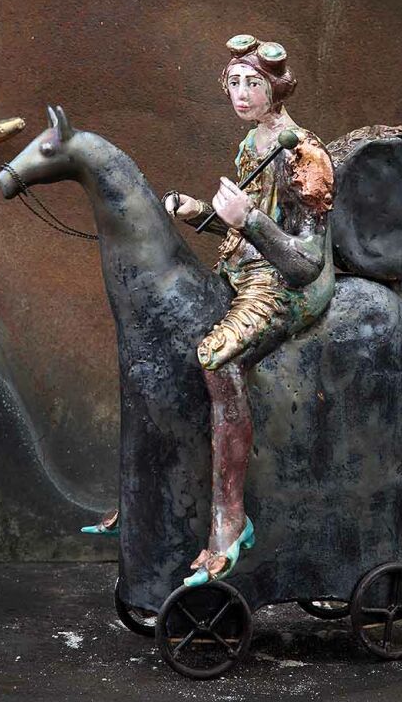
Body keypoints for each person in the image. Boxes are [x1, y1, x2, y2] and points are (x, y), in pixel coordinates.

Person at [162, 34, 336, 586]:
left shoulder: (305, 156)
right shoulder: (251, 144)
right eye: (234, 82)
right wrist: (199, 213)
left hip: (287, 287)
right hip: (244, 269)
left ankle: (230, 519)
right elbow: (242, 231)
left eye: (253, 83)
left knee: (217, 357)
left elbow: (305, 263)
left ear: (275, 88)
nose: (241, 93)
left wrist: (249, 220)